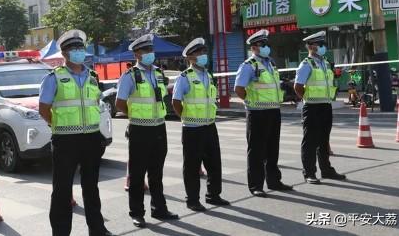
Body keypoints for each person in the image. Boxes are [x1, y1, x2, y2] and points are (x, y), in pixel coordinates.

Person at [39, 29, 112, 236]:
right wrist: (58, 126)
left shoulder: (93, 76)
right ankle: (61, 233)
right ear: (64, 53)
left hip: (91, 138)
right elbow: (43, 108)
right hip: (65, 140)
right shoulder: (54, 77)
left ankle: (97, 230)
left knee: (91, 188)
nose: (79, 51)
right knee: (62, 190)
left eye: (81, 47)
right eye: (74, 48)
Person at [115, 34, 178, 228]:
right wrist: (135, 116)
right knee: (137, 173)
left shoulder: (158, 73)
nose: (150, 53)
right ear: (137, 54)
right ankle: (137, 213)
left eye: (151, 50)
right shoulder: (130, 75)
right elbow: (119, 103)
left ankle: (159, 209)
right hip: (140, 129)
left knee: (156, 172)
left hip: (159, 127)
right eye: (146, 51)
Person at [172, 38, 230, 212]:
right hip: (192, 129)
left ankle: (213, 195)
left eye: (204, 52)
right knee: (192, 166)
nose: (203, 56)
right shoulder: (184, 77)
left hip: (210, 126)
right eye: (199, 53)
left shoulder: (209, 75)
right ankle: (192, 200)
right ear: (190, 57)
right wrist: (187, 118)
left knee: (214, 163)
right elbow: (176, 102)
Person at [234, 29, 293, 197]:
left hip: (273, 110)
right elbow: (238, 89)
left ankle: (274, 181)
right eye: (262, 44)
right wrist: (250, 102)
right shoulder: (248, 65)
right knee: (257, 151)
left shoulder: (271, 64)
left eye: (267, 44)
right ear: (254, 47)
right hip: (257, 113)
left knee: (272, 149)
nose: (266, 47)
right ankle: (256, 185)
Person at [294, 31, 346, 184]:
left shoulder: (325, 63)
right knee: (310, 141)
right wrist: (307, 98)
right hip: (312, 107)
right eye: (320, 44)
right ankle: (309, 172)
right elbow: (298, 87)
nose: (323, 47)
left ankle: (326, 170)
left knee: (324, 140)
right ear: (311, 46)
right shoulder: (306, 64)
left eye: (323, 44)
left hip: (326, 105)